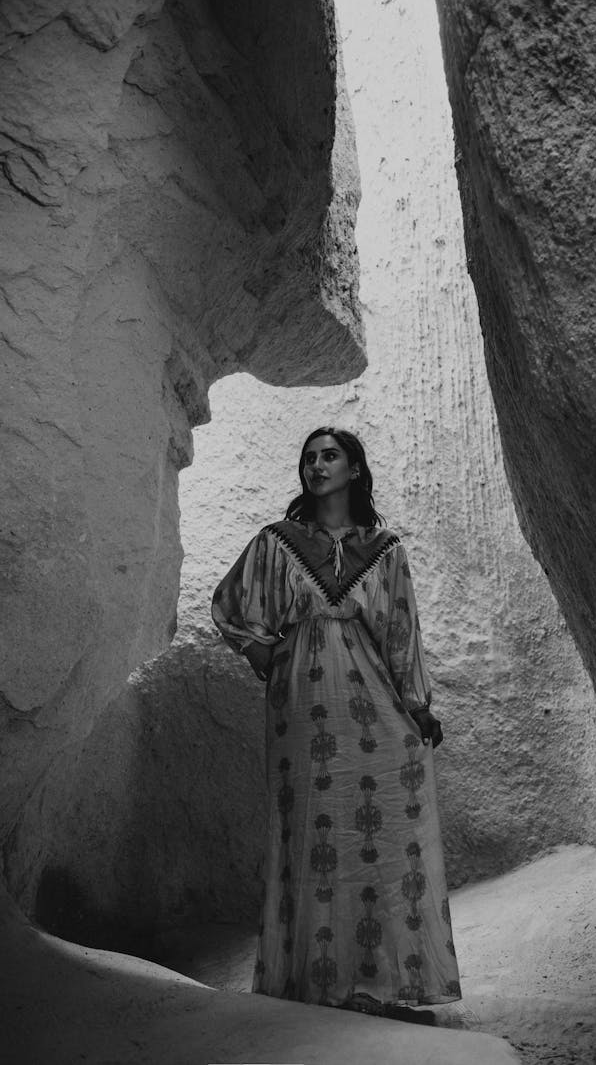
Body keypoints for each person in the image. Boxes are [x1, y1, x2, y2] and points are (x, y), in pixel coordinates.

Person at [211, 427, 461, 1022]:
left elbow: (402, 635)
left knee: (376, 842)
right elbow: (229, 605)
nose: (316, 465)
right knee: (311, 835)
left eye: (329, 456)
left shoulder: (387, 549)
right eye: (308, 457)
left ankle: (381, 986)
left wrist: (418, 707)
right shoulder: (277, 543)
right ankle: (312, 987)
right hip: (301, 706)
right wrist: (260, 651)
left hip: (373, 703)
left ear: (354, 469)